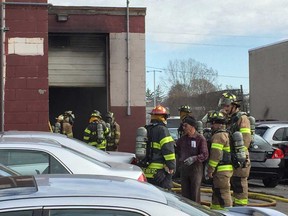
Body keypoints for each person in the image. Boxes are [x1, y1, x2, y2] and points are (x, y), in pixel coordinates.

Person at [218, 92, 252, 206]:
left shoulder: (242, 118)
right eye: (224, 106)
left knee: (239, 185)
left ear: (234, 106)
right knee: (230, 184)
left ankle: (241, 209)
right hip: (230, 156)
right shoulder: (228, 119)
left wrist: (240, 155)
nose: (225, 108)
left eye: (227, 106)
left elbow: (246, 139)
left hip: (240, 157)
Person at [140, 105, 176, 190]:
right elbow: (168, 150)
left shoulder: (146, 129)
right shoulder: (162, 130)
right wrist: (171, 167)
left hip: (145, 171)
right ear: (163, 117)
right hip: (158, 173)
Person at [176, 116, 209, 203]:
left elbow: (205, 154)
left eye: (185, 126)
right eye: (183, 126)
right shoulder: (182, 140)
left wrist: (195, 158)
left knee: (195, 192)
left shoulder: (200, 139)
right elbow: (177, 150)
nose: (184, 128)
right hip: (184, 168)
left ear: (192, 126)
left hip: (195, 169)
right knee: (185, 194)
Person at [205, 111, 233, 210]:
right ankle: (215, 212)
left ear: (219, 123)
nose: (211, 126)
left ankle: (229, 213)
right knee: (217, 194)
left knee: (223, 194)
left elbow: (215, 155)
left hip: (221, 170)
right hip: (224, 169)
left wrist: (210, 170)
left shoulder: (218, 136)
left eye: (213, 123)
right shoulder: (226, 134)